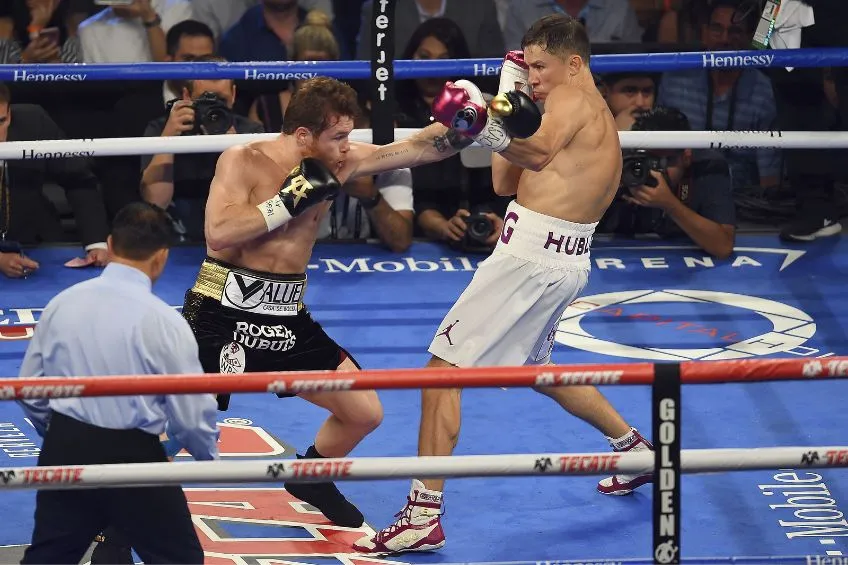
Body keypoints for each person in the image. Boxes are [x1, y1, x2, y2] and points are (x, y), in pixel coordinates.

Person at [354, 14, 653, 554]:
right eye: (528, 66)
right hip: (554, 258)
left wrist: (482, 122)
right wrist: (507, 100)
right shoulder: (563, 108)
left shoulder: (574, 100)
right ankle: (634, 451)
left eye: (540, 66)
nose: (534, 76)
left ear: (574, 63)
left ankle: (424, 514)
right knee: (536, 369)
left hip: (529, 260)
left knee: (441, 371)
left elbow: (534, 154)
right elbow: (502, 180)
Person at [181, 75, 493, 528]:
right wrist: (285, 202)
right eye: (339, 137)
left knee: (363, 412)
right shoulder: (242, 160)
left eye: (350, 135)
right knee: (170, 426)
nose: (348, 147)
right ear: (304, 136)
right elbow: (219, 233)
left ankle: (311, 478)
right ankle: (114, 523)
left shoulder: (340, 163)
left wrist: (464, 122)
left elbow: (420, 149)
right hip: (220, 313)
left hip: (286, 316)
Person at [17, 201, 219, 565]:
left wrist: (61, 431)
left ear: (110, 244)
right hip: (133, 454)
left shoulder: (63, 303)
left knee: (49, 557)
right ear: (162, 257)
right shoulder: (164, 321)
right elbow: (191, 412)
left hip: (67, 444)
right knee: (180, 559)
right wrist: (207, 456)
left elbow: (29, 386)